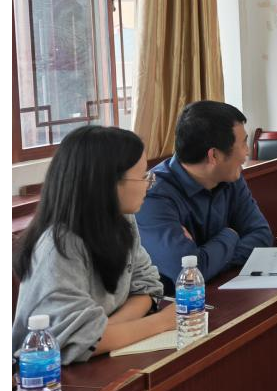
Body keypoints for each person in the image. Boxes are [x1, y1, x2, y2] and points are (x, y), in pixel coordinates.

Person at [12, 126, 176, 365]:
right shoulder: (59, 246)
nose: (149, 184)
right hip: (49, 375)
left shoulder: (123, 219)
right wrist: (161, 322)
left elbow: (146, 286)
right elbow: (73, 342)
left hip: (101, 357)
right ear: (108, 183)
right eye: (143, 176)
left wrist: (105, 330)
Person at [137, 101, 273, 288]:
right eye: (243, 144)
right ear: (214, 156)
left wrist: (207, 259)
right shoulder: (153, 195)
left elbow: (262, 235)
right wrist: (231, 235)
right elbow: (187, 274)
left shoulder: (230, 178)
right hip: (177, 302)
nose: (247, 153)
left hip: (223, 289)